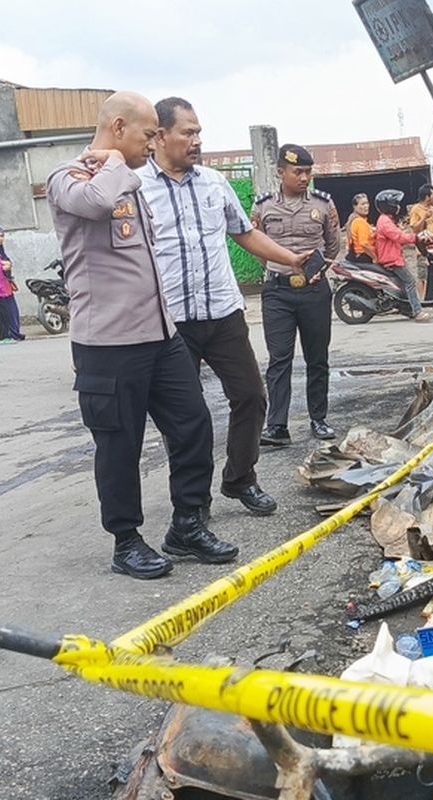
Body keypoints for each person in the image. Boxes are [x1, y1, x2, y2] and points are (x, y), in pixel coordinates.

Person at [46, 91, 238, 580]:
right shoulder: (70, 177)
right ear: (117, 128)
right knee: (119, 446)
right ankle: (126, 541)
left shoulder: (126, 181)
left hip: (160, 334)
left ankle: (187, 525)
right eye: (147, 132)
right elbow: (95, 202)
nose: (154, 141)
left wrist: (117, 164)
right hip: (108, 345)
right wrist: (111, 161)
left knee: (194, 425)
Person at [138, 96, 308, 517]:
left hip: (223, 313)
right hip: (172, 320)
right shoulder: (136, 187)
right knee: (186, 416)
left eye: (199, 132)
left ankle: (240, 479)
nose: (196, 141)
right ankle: (192, 504)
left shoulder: (215, 183)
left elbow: (244, 232)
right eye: (188, 132)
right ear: (160, 136)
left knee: (251, 396)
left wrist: (288, 258)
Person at [252, 144, 343, 447]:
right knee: (280, 359)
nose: (304, 178)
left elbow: (332, 244)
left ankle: (319, 419)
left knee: (318, 358)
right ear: (281, 172)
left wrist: (318, 270)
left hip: (314, 289)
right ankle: (277, 426)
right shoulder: (262, 207)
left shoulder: (323, 204)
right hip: (278, 291)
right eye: (298, 172)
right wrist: (278, 267)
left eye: (308, 172)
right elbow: (257, 246)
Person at [375, 189, 432, 322]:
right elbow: (398, 237)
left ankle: (407, 308)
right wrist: (414, 238)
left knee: (403, 284)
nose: (398, 207)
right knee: (410, 281)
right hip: (392, 259)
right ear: (389, 206)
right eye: (396, 204)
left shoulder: (386, 220)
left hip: (393, 256)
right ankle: (417, 312)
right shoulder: (385, 222)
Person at [346, 193, 377, 264]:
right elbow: (364, 244)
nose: (366, 206)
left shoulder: (352, 219)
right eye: (362, 204)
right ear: (355, 206)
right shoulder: (359, 222)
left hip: (356, 255)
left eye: (367, 203)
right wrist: (375, 257)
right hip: (364, 257)